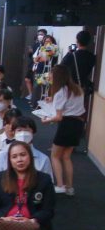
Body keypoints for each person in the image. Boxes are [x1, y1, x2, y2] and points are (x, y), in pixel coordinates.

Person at [41, 65, 84, 197]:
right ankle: (70, 187)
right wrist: (52, 99)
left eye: (52, 74)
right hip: (78, 124)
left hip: (66, 124)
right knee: (66, 157)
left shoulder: (60, 92)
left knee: (55, 156)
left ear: (57, 76)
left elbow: (58, 117)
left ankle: (60, 185)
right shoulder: (78, 89)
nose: (50, 76)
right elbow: (69, 103)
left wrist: (46, 120)